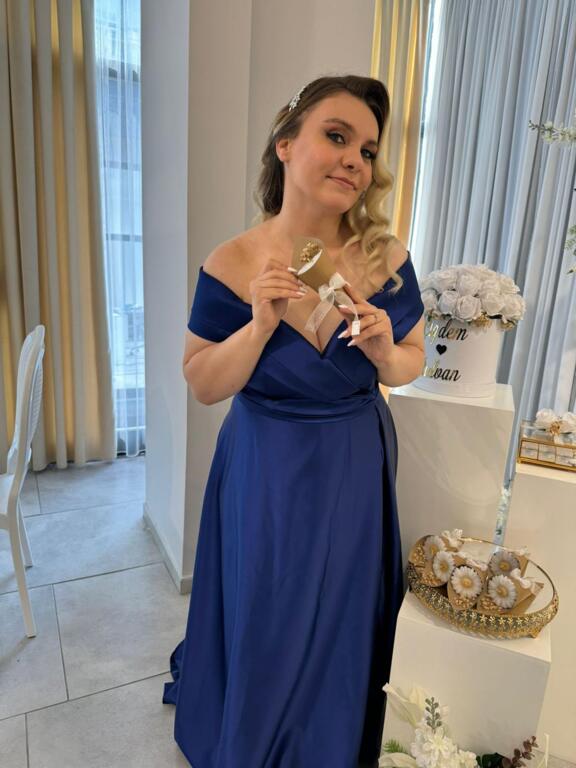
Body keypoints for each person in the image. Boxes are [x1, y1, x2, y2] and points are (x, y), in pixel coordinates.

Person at [162, 74, 425, 768]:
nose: (354, 160)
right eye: (336, 136)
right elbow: (202, 383)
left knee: (342, 601)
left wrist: (383, 351)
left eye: (367, 150)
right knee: (269, 599)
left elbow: (411, 361)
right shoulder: (232, 261)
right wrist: (258, 327)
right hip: (266, 463)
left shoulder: (386, 257)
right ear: (285, 144)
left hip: (353, 458)